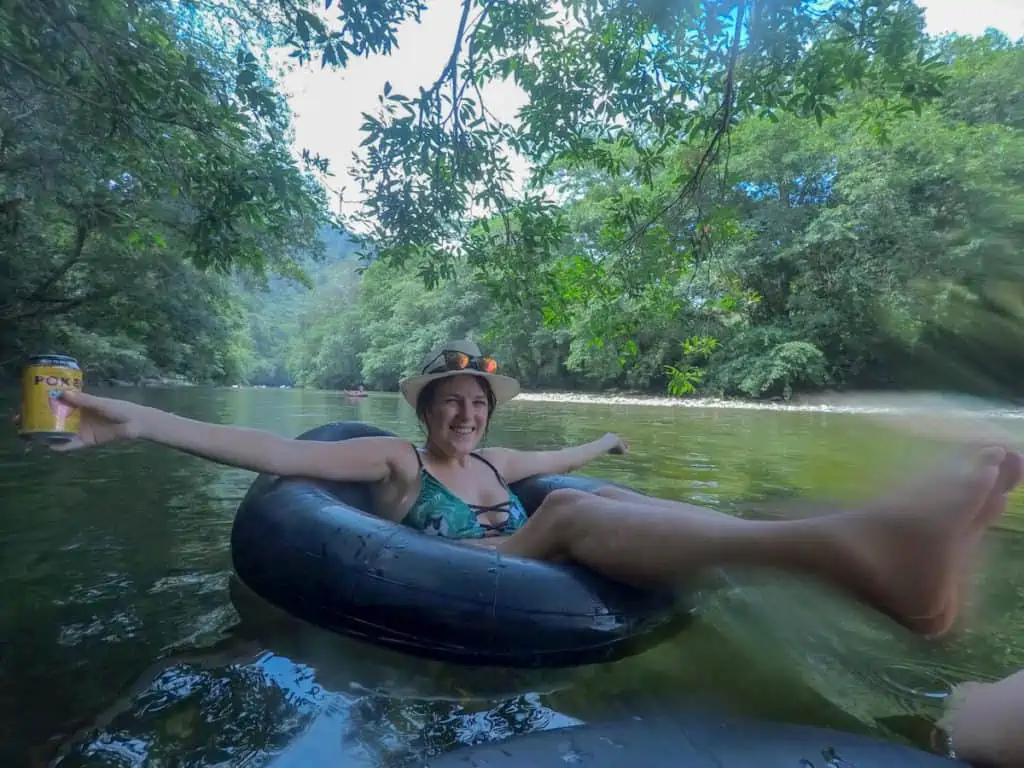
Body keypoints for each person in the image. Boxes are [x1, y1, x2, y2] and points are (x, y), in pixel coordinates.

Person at [14, 339, 1024, 764]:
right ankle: (854, 549)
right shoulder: (390, 464)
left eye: (476, 403)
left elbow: (568, 457)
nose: (464, 411)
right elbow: (276, 453)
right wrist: (139, 421)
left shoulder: (500, 468)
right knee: (582, 523)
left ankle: (867, 556)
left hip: (544, 572)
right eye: (450, 401)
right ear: (424, 412)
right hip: (494, 587)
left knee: (596, 509)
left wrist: (607, 445)